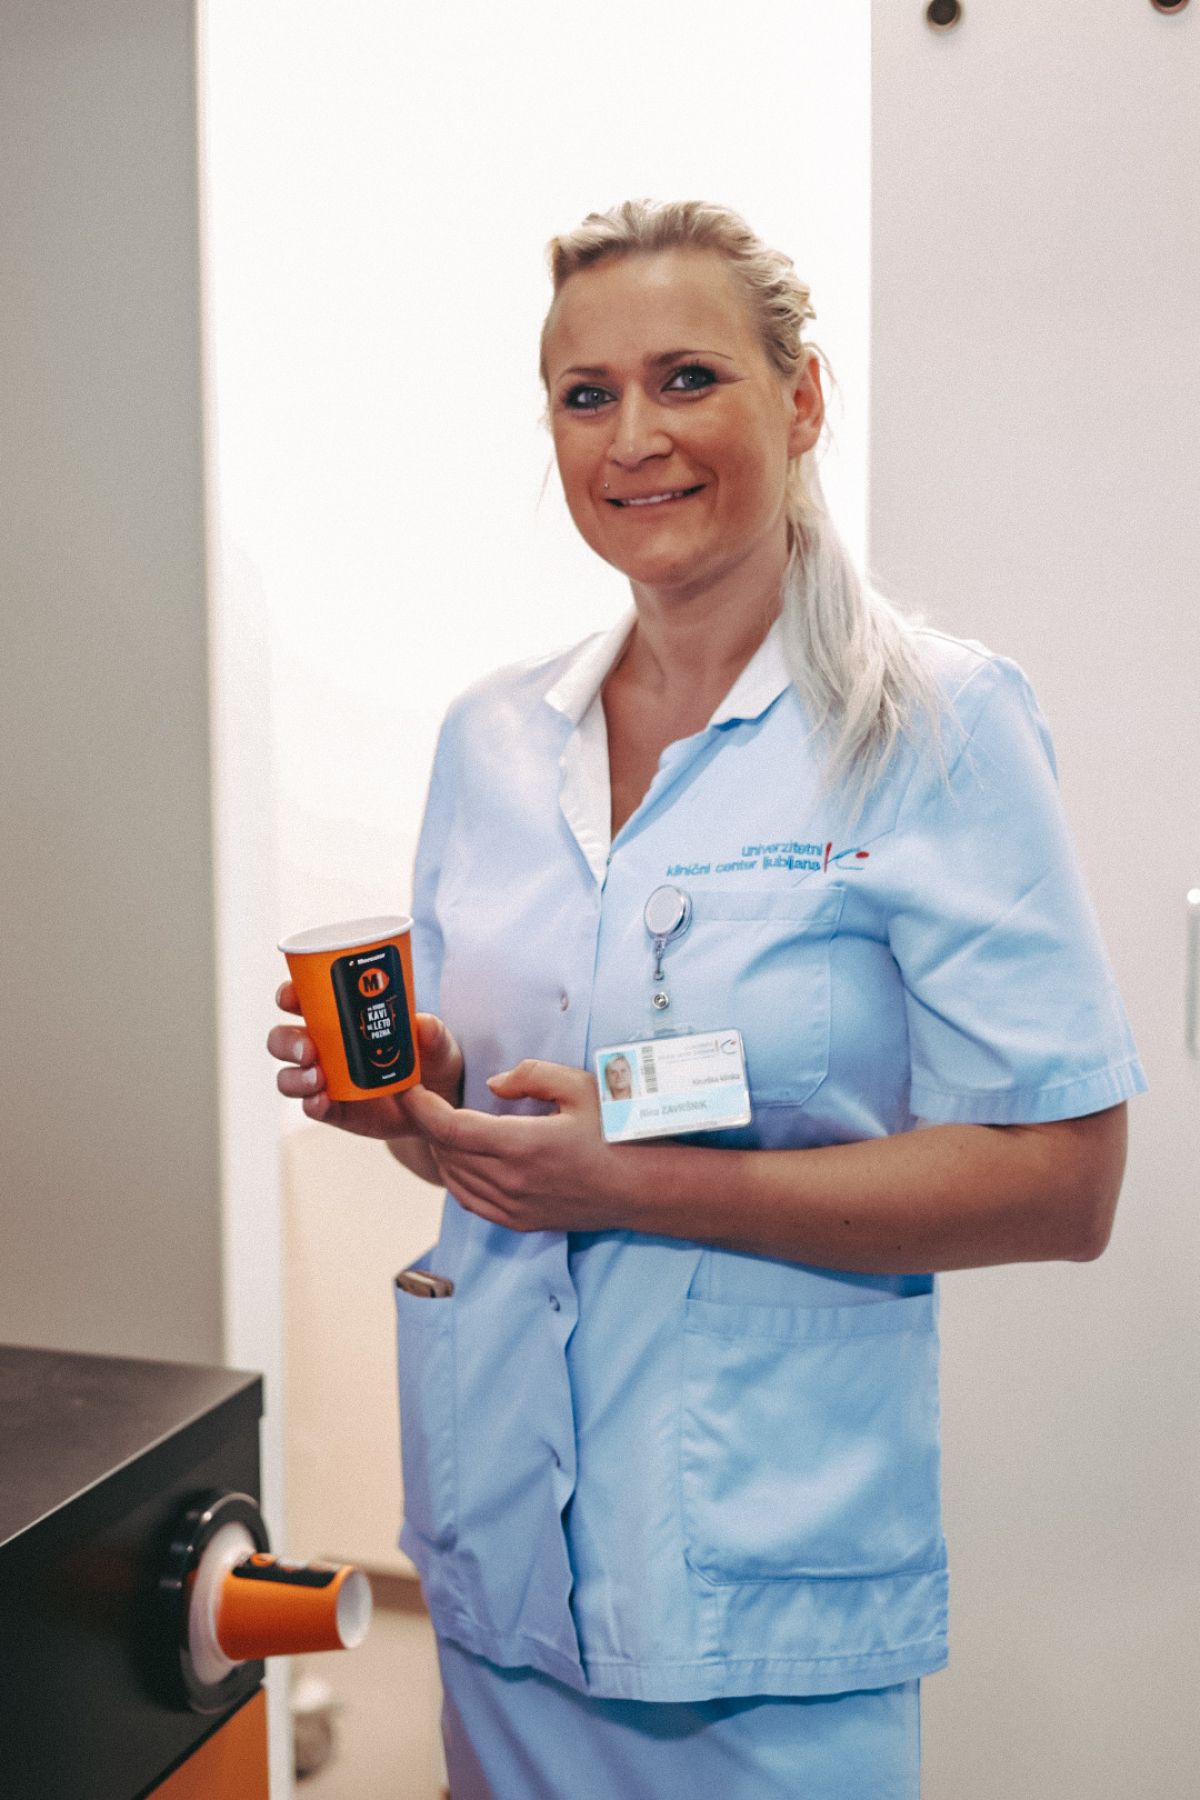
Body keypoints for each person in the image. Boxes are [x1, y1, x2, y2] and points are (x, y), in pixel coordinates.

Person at [268, 199, 1146, 1798]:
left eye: (688, 378)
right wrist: (419, 1099)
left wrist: (631, 1182)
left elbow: (1064, 1182)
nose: (634, 438)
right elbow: (506, 1122)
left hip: (764, 1596)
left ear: (800, 400)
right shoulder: (492, 738)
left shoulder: (933, 725)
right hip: (502, 1550)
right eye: (585, 395)